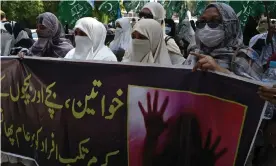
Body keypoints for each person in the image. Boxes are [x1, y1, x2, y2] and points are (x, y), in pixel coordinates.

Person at [185, 3, 263, 81]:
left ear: (230, 25)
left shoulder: (246, 57)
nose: (206, 27)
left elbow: (256, 91)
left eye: (215, 21)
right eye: (202, 21)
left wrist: (219, 70)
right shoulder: (194, 55)